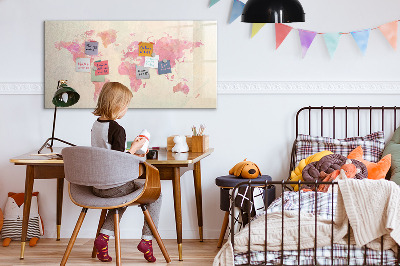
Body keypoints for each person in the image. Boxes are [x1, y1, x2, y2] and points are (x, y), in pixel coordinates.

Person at [91, 81, 161, 263]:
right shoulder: (117, 129)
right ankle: (147, 240)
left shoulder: (96, 125)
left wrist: (130, 149)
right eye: (126, 105)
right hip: (114, 186)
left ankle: (103, 238)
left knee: (122, 198)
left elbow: (108, 154)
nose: (126, 110)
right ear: (118, 105)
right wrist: (135, 149)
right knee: (156, 194)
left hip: (97, 186)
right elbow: (118, 161)